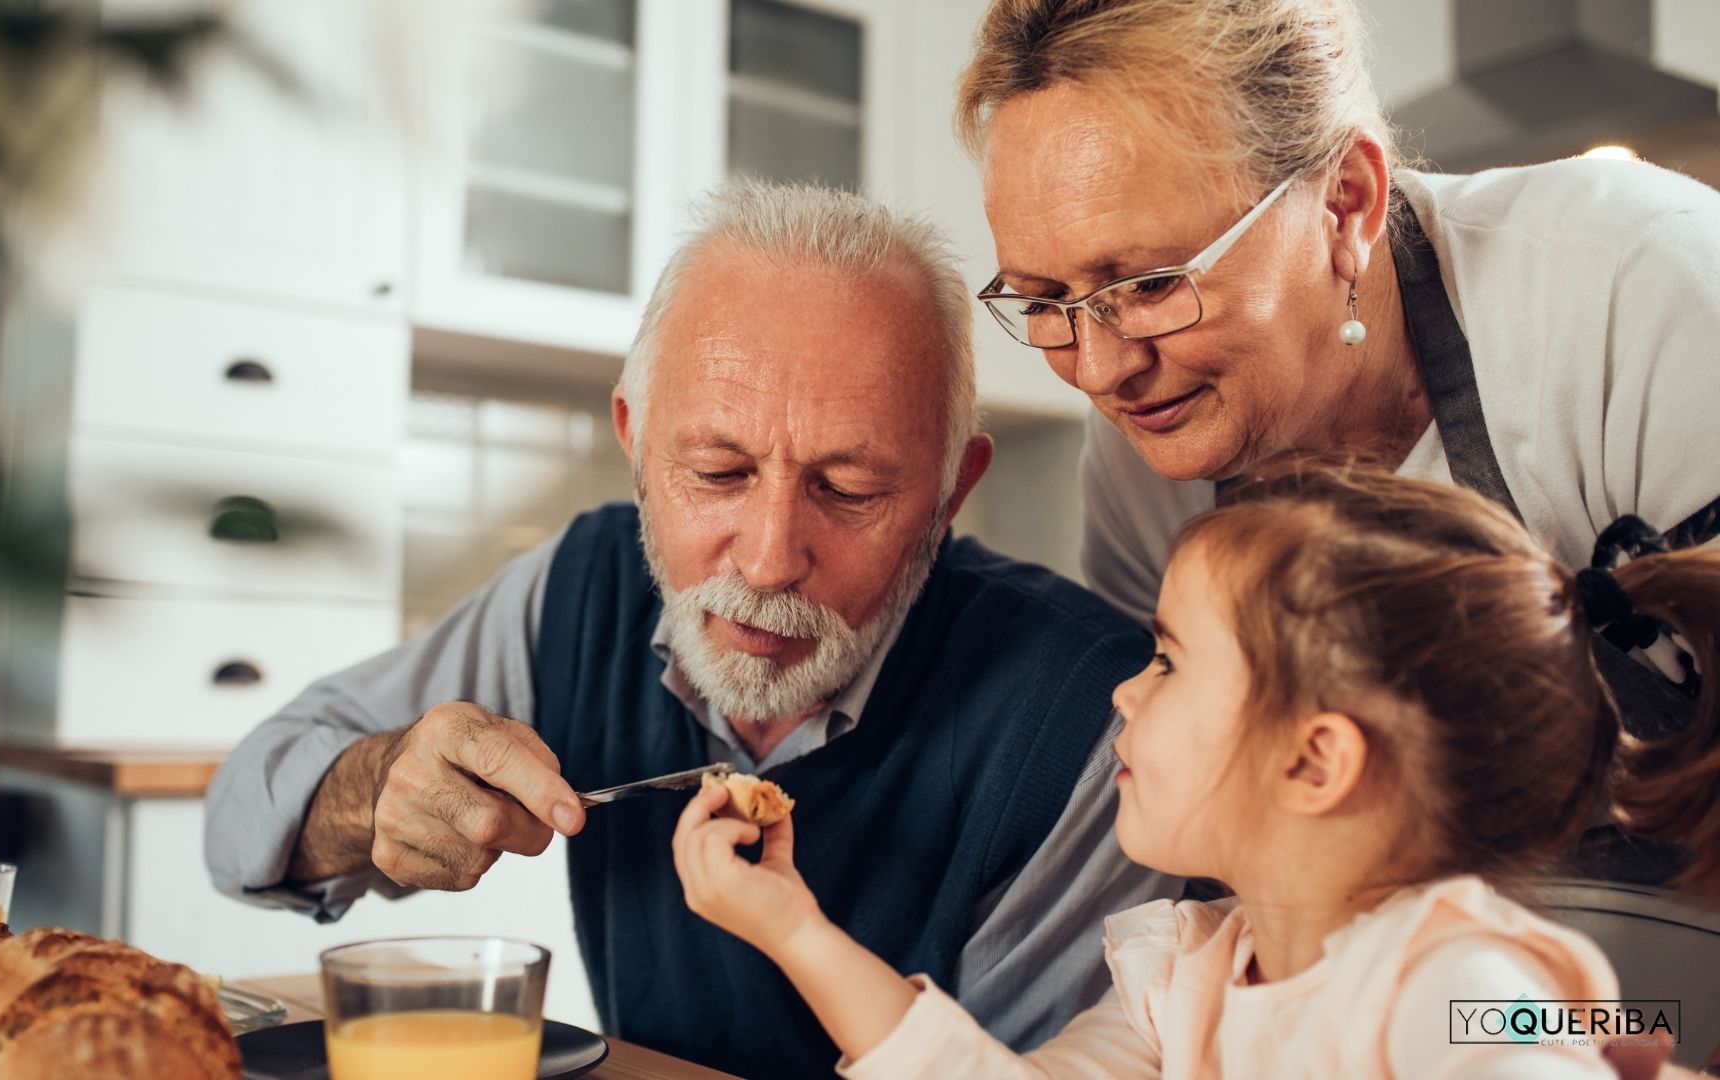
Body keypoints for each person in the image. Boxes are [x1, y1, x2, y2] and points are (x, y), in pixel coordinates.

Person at [202, 182, 1176, 1078]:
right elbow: (241, 820)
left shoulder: (1092, 721)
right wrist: (374, 792)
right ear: (633, 436)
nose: (765, 559)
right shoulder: (578, 590)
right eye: (715, 473)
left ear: (952, 491)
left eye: (848, 491)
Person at [673, 462, 1720, 1078]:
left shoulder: (1453, 986)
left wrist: (1606, 1033)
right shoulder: (1188, 978)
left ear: (1313, 761)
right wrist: (793, 929)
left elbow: (1575, 1033)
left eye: (1168, 660)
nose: (1125, 692)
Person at [954, 0, 1720, 784]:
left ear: (1345, 202)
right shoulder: (1140, 467)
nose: (1099, 371)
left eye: (1150, 285)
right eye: (1046, 302)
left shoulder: (1635, 288)